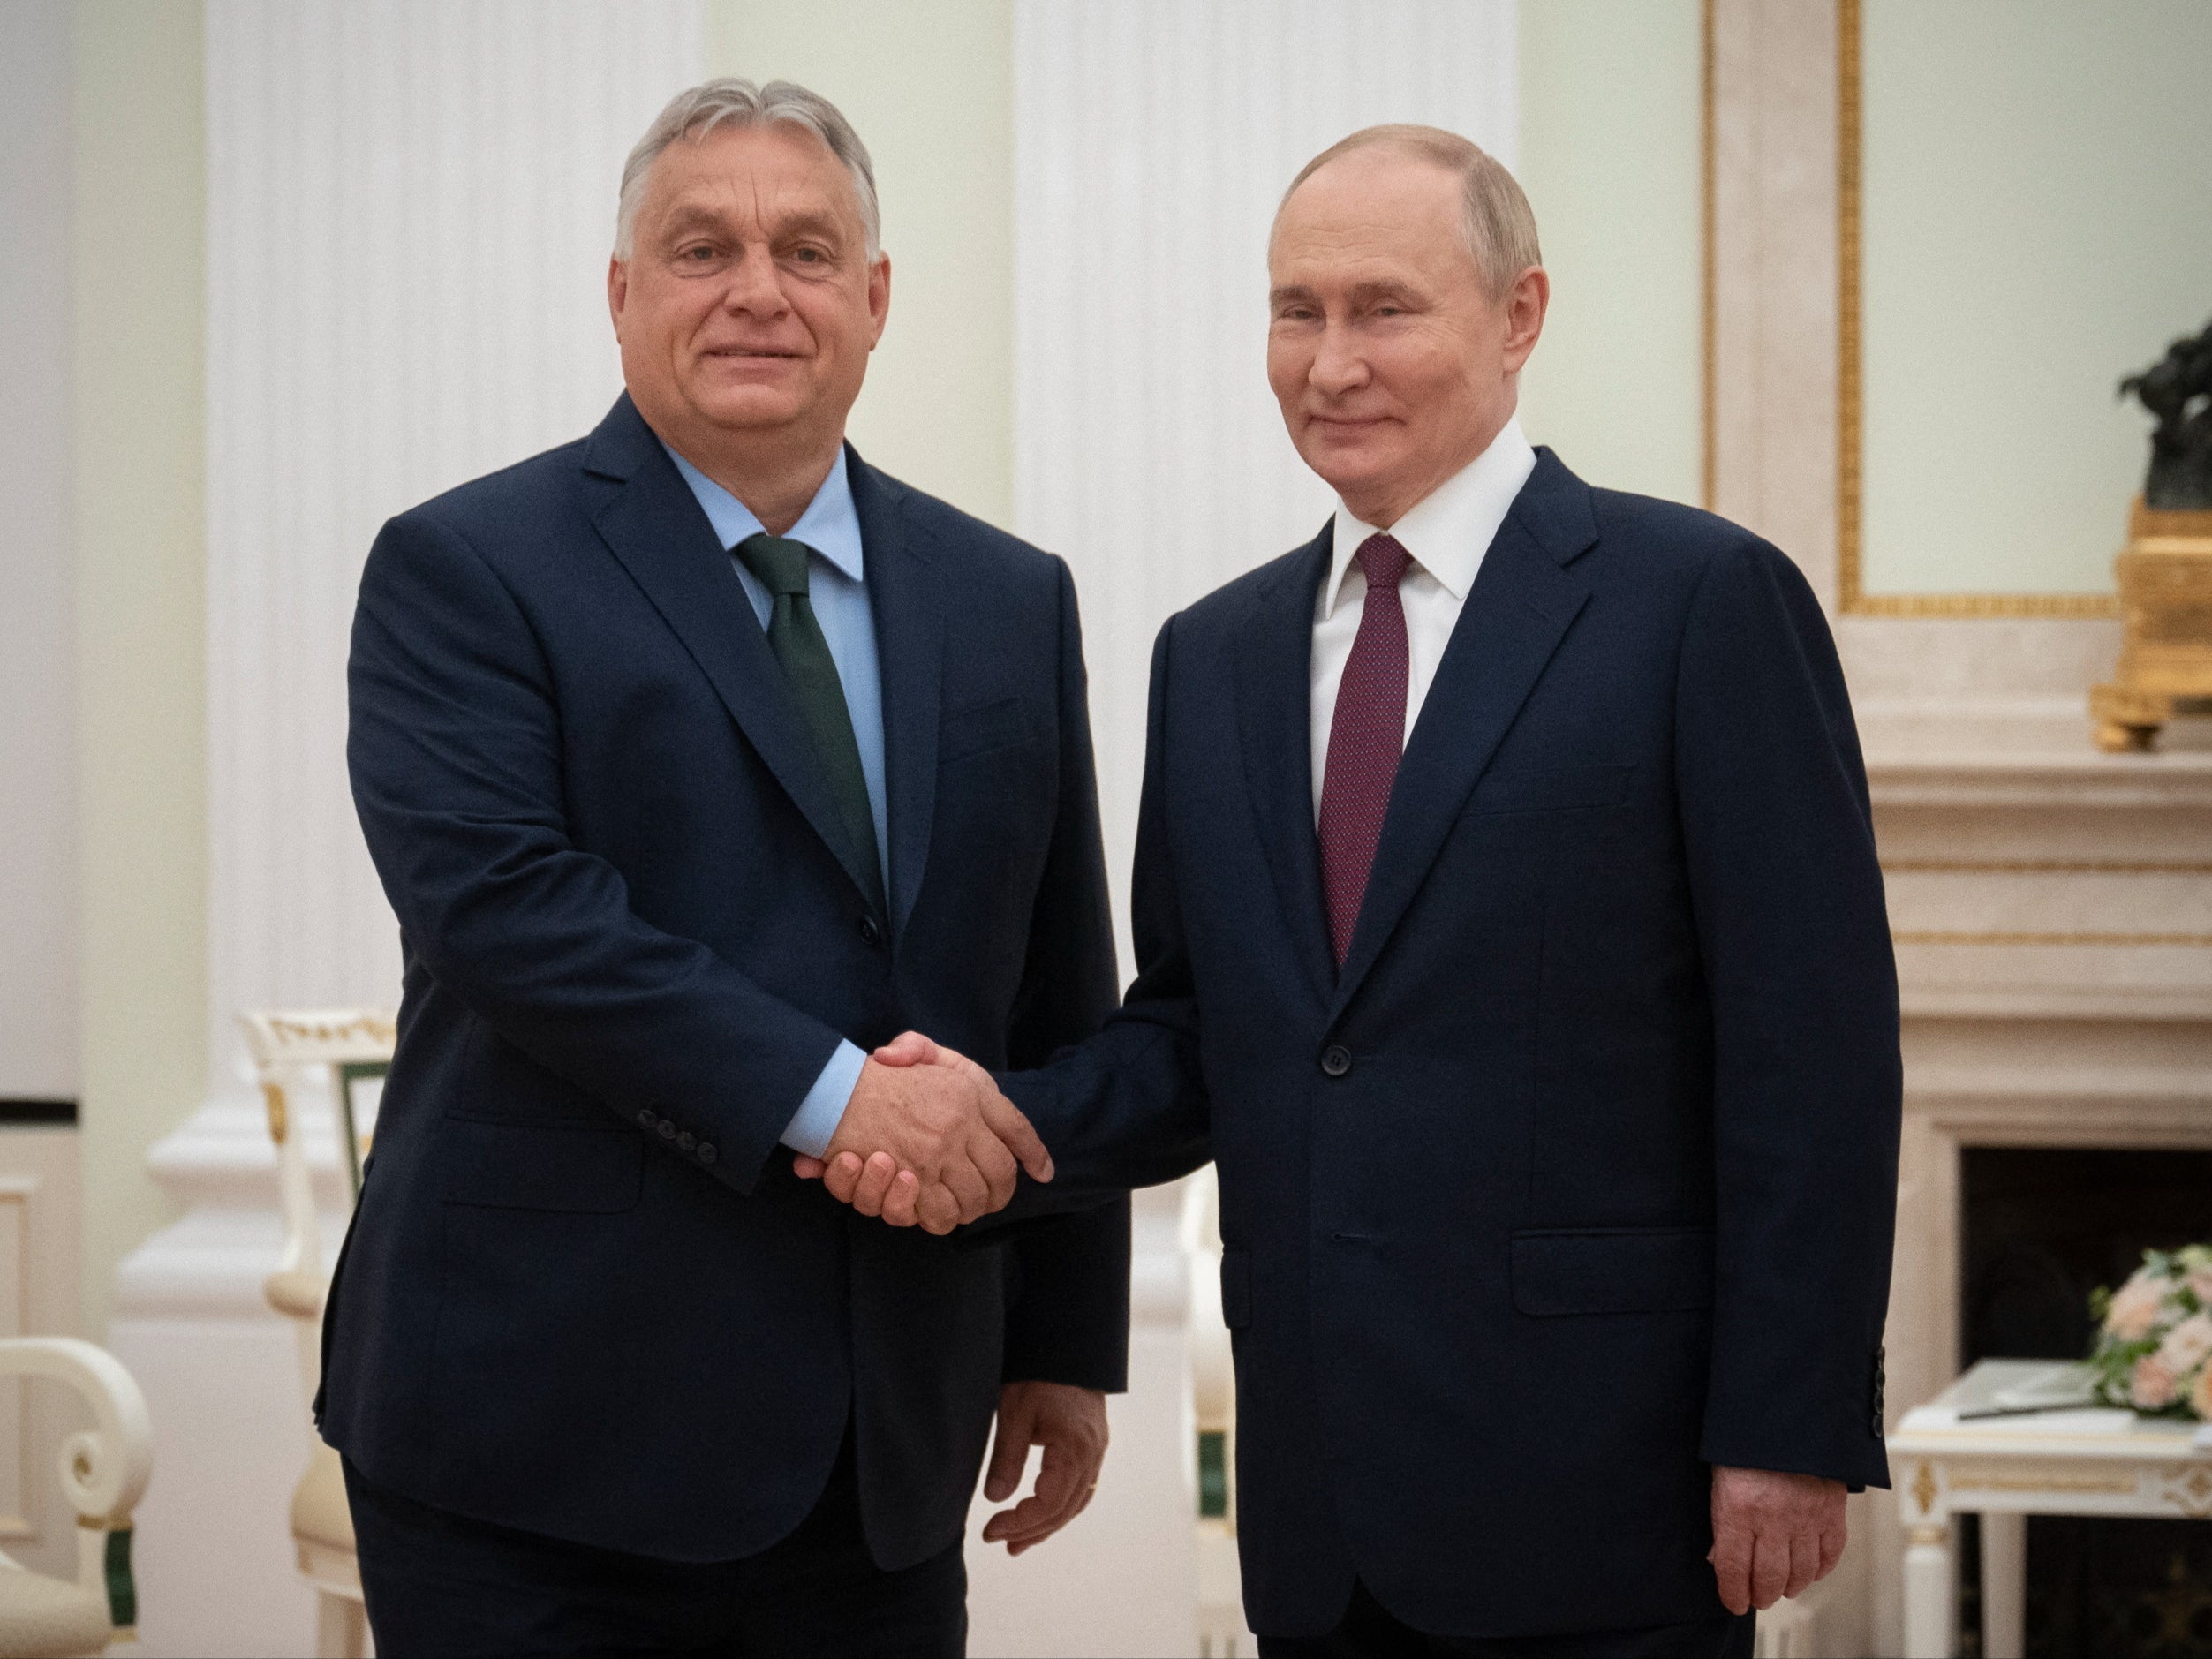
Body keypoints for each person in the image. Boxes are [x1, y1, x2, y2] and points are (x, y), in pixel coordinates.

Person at [808, 125, 1902, 1658]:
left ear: (1518, 316)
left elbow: (1815, 1052)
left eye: (1383, 308)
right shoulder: (1214, 654)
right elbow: (1200, 1034)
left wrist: (1786, 1422)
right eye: (1294, 311)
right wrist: (986, 1122)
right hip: (1320, 1507)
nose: (1330, 363)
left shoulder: (1700, 605)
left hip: (1608, 1490)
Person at [328, 77, 1122, 1657]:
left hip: (883, 1443)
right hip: (539, 1445)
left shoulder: (1005, 596)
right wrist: (843, 1098)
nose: (759, 289)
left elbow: (1052, 974)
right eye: (702, 248)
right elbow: (513, 918)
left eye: (807, 251)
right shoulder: (467, 569)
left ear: (874, 299)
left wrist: (1062, 1332)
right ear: (622, 295)